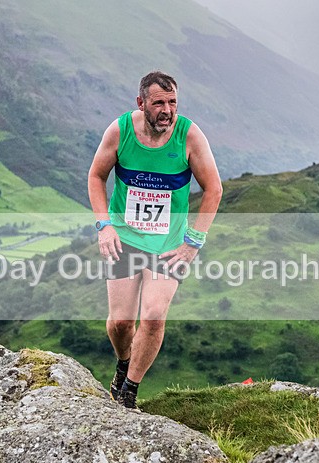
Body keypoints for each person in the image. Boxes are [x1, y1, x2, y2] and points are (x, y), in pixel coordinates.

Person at [87, 71, 223, 410]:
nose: (167, 110)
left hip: (168, 245)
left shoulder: (189, 136)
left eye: (173, 102)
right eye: (159, 103)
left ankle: (128, 393)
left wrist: (193, 242)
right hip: (125, 238)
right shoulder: (120, 131)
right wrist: (104, 226)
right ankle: (123, 362)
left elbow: (214, 189)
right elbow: (96, 176)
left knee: (154, 316)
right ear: (141, 103)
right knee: (121, 323)